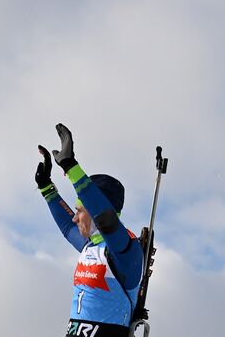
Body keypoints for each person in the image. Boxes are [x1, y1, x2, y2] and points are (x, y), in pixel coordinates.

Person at [36, 123, 143, 337]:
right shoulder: (91, 246)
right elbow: (67, 227)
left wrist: (71, 167)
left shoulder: (124, 251)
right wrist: (46, 187)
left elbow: (107, 222)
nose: (75, 217)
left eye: (80, 211)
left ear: (96, 211)